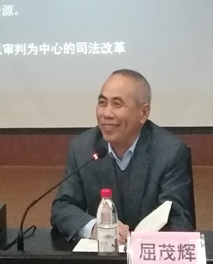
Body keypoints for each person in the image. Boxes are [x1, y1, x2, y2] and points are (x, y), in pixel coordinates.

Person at [50, 69, 194, 243]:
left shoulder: (169, 152)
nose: (106, 114)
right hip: (102, 255)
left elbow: (179, 219)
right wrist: (95, 228)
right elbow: (62, 207)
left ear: (143, 113)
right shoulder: (82, 147)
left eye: (117, 104)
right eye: (102, 103)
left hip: (148, 255)